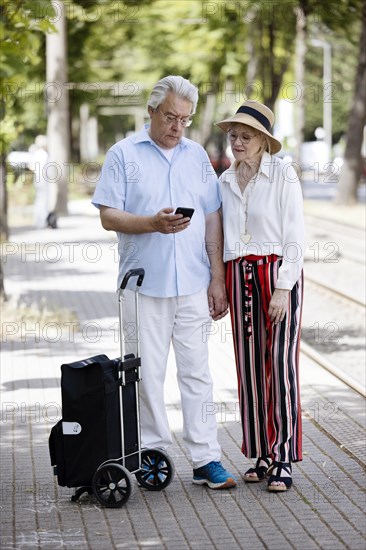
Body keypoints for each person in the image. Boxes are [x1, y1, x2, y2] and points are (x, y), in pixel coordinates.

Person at [92, 75, 236, 490]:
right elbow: (108, 215)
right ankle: (152, 455)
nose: (177, 126)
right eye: (170, 116)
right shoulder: (122, 155)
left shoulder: (196, 157)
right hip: (143, 285)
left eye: (185, 119)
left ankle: (206, 459)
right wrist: (151, 224)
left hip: (193, 282)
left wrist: (218, 277)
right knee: (147, 376)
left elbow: (211, 218)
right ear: (152, 112)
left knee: (197, 374)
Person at [215, 99, 304, 492]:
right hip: (240, 273)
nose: (236, 141)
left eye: (245, 136)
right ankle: (261, 452)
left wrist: (285, 287)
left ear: (263, 140)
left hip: (277, 273)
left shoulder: (283, 173)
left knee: (281, 368)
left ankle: (283, 456)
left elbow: (296, 235)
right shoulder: (225, 180)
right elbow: (218, 237)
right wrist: (218, 282)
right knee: (249, 369)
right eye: (233, 135)